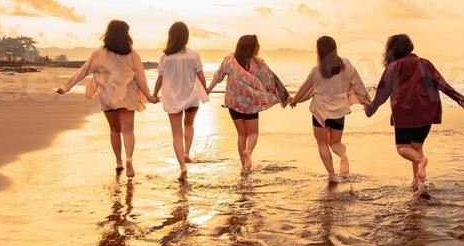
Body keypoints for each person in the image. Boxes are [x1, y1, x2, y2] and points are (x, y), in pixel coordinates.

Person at [365, 34, 464, 196]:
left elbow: (382, 93)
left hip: (405, 113)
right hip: (427, 111)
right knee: (417, 147)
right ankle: (419, 184)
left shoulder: (394, 67)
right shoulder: (425, 63)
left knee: (402, 148)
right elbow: (440, 82)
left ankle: (422, 162)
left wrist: (370, 110)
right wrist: (459, 99)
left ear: (391, 50)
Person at [56, 20, 157, 177]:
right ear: (126, 34)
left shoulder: (99, 53)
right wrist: (149, 96)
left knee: (115, 130)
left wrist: (67, 87)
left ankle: (118, 161)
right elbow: (140, 77)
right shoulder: (131, 53)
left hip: (108, 96)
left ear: (108, 34)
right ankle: (129, 159)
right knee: (128, 130)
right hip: (127, 96)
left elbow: (83, 71)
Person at [290, 36, 370, 183]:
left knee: (322, 144)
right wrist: (366, 101)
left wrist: (295, 100)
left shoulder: (317, 70)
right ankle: (343, 156)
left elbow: (305, 89)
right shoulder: (346, 64)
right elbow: (357, 83)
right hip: (339, 111)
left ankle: (332, 175)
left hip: (321, 112)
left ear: (319, 51)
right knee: (335, 143)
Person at [207, 35, 289, 172]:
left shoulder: (229, 60)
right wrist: (285, 97)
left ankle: (244, 165)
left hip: (233, 104)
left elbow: (218, 76)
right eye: (257, 45)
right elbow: (271, 81)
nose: (259, 47)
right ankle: (248, 152)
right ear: (251, 48)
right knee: (253, 133)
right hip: (251, 104)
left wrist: (208, 89)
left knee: (241, 134)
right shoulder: (257, 65)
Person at [153, 21, 209, 181]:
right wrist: (204, 91)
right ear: (186, 37)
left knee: (176, 134)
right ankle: (186, 153)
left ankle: (182, 167)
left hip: (172, 98)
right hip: (191, 96)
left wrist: (155, 94)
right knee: (189, 124)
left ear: (171, 37)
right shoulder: (193, 55)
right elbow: (201, 77)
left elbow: (160, 79)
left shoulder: (165, 57)